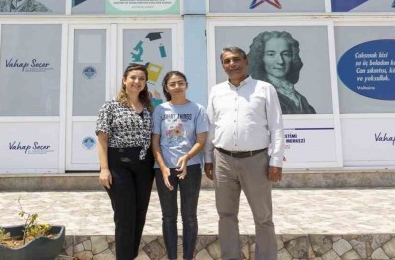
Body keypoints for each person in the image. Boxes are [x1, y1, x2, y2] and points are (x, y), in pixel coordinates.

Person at [204, 46, 284, 260]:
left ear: (246, 62)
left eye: (236, 59)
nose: (232, 64)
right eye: (227, 61)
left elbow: (276, 127)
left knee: (263, 217)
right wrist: (208, 158)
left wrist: (276, 161)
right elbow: (211, 126)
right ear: (223, 66)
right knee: (226, 215)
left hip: (256, 161)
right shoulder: (216, 91)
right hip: (223, 161)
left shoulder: (264, 89)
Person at [96, 64, 154, 260]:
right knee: (124, 215)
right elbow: (102, 139)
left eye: (142, 79)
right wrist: (104, 169)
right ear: (124, 80)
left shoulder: (149, 107)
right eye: (133, 78)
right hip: (118, 164)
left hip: (144, 165)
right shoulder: (111, 106)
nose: (137, 82)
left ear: (145, 83)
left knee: (139, 214)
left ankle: (130, 255)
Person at [151, 71, 208, 260]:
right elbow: (155, 142)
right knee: (168, 216)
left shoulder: (198, 109)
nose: (177, 87)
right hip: (164, 169)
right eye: (172, 84)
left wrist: (187, 157)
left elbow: (201, 140)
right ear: (166, 88)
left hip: (190, 168)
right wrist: (162, 167)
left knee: (189, 216)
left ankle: (188, 257)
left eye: (180, 83)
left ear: (186, 85)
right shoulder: (160, 110)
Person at [248, 31, 316, 115]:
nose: (280, 61)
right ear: (260, 58)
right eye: (271, 54)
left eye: (285, 54)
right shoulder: (257, 95)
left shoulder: (299, 98)